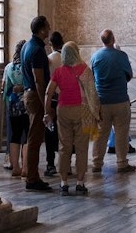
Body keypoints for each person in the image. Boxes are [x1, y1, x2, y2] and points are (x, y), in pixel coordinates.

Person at [44, 41, 100, 196]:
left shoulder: (59, 71)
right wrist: (97, 112)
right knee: (81, 148)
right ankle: (80, 183)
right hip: (81, 110)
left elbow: (49, 92)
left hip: (63, 110)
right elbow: (93, 94)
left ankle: (63, 183)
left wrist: (47, 111)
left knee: (64, 146)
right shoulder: (85, 70)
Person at [91, 29, 135, 174]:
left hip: (102, 101)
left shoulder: (95, 56)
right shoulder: (121, 55)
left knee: (100, 134)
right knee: (121, 133)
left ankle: (97, 163)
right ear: (113, 39)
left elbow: (92, 77)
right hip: (120, 99)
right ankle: (122, 163)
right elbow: (129, 75)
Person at [21, 15, 53, 192]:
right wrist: (46, 105)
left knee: (33, 137)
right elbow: (39, 80)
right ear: (41, 30)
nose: (49, 29)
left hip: (29, 94)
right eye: (47, 26)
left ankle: (31, 174)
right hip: (35, 95)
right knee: (34, 139)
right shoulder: (37, 50)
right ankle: (32, 178)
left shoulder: (27, 45)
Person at [3, 40, 29, 177]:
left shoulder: (9, 67)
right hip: (26, 103)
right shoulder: (27, 66)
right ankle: (25, 167)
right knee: (27, 136)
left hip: (13, 104)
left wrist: (8, 103)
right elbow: (31, 84)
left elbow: (6, 88)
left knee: (15, 135)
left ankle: (15, 168)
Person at [44, 30, 64, 177]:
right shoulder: (67, 58)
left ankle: (50, 164)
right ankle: (66, 163)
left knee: (50, 132)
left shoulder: (49, 59)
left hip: (53, 99)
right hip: (66, 99)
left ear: (51, 44)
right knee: (65, 133)